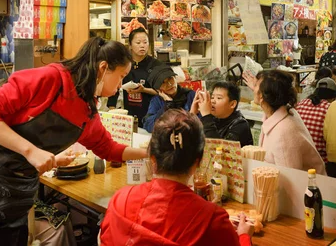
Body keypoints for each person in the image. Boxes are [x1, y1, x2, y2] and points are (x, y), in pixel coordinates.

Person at [0, 37, 148, 244]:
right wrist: (30, 151)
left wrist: (150, 152)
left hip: (12, 196)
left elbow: (109, 149)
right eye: (121, 76)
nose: (121, 85)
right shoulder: (51, 79)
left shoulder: (88, 110)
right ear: (103, 68)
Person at [100, 109, 253, 246]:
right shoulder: (213, 221)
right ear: (197, 163)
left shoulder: (120, 199)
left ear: (152, 158)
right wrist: (244, 236)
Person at [245, 70, 326, 174]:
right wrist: (259, 91)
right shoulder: (282, 111)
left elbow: (290, 179)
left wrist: (260, 92)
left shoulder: (283, 132)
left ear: (262, 96)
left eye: (256, 85)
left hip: (309, 187)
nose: (253, 88)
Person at [107, 28, 161, 121]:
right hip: (129, 115)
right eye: (138, 43)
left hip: (151, 116)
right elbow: (115, 86)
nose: (142, 46)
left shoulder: (156, 65)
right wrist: (112, 109)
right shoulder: (124, 64)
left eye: (145, 42)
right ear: (130, 45)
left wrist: (144, 90)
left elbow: (162, 91)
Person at [190, 81, 253, 147]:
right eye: (212, 97)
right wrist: (192, 114)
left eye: (219, 98)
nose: (213, 101)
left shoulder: (240, 124)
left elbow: (219, 150)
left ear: (232, 104)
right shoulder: (213, 118)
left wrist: (206, 115)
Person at [296, 78, 336, 162]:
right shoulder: (330, 108)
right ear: (333, 98)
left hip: (298, 156)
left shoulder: (301, 103)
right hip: (320, 161)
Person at [144, 66, 195, 133]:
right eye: (163, 82)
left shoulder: (191, 95)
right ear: (157, 89)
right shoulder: (156, 101)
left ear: (175, 78)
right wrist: (168, 105)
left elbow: (201, 122)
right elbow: (149, 126)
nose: (169, 84)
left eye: (170, 78)